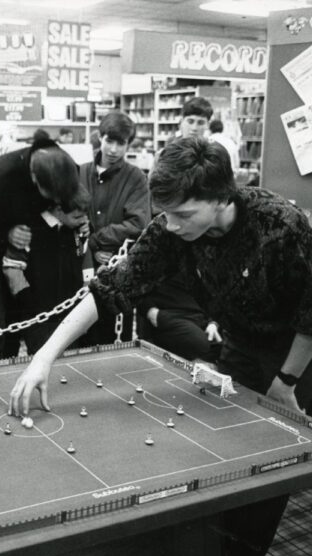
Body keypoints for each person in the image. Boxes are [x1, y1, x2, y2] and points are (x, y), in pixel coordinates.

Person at [10, 136, 312, 556]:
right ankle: (216, 547)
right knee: (226, 448)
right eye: (165, 213)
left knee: (273, 464)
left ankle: (248, 551)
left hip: (294, 352)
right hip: (238, 341)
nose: (171, 225)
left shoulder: (281, 224)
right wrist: (44, 356)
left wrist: (285, 383)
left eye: (183, 214)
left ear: (221, 197)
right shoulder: (174, 226)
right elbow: (111, 289)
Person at [0, 138, 87, 361]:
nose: (56, 202)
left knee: (27, 316)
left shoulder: (67, 165)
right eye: (51, 196)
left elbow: (69, 204)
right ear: (34, 179)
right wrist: (7, 234)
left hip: (33, 244)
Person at [140, 95, 221, 362]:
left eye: (201, 122)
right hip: (170, 234)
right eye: (190, 121)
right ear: (181, 121)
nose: (195, 126)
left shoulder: (214, 156)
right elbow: (157, 197)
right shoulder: (166, 155)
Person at [79, 111, 150, 345]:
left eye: (121, 143)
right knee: (80, 334)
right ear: (100, 137)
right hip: (81, 267)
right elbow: (73, 216)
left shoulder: (136, 178)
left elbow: (138, 223)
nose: (113, 150)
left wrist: (98, 240)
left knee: (113, 338)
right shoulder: (79, 172)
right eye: (110, 141)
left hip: (118, 269)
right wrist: (91, 247)